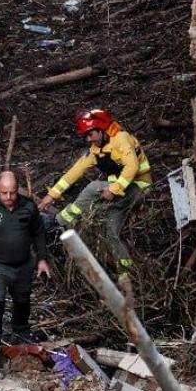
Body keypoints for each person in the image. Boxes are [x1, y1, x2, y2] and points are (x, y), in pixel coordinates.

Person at [38, 108, 151, 275]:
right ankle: (126, 273)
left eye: (90, 134)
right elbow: (74, 172)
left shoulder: (121, 138)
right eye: (86, 136)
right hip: (123, 195)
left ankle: (58, 222)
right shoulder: (96, 150)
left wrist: (113, 189)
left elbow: (132, 166)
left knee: (92, 187)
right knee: (110, 231)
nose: (88, 139)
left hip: (139, 188)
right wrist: (51, 195)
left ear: (101, 129)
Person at [0, 171, 51, 369]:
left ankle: (21, 334)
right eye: (4, 193)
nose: (9, 197)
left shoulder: (29, 207)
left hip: (23, 265)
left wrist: (42, 260)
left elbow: (38, 233)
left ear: (17, 189)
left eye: (12, 192)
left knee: (22, 301)